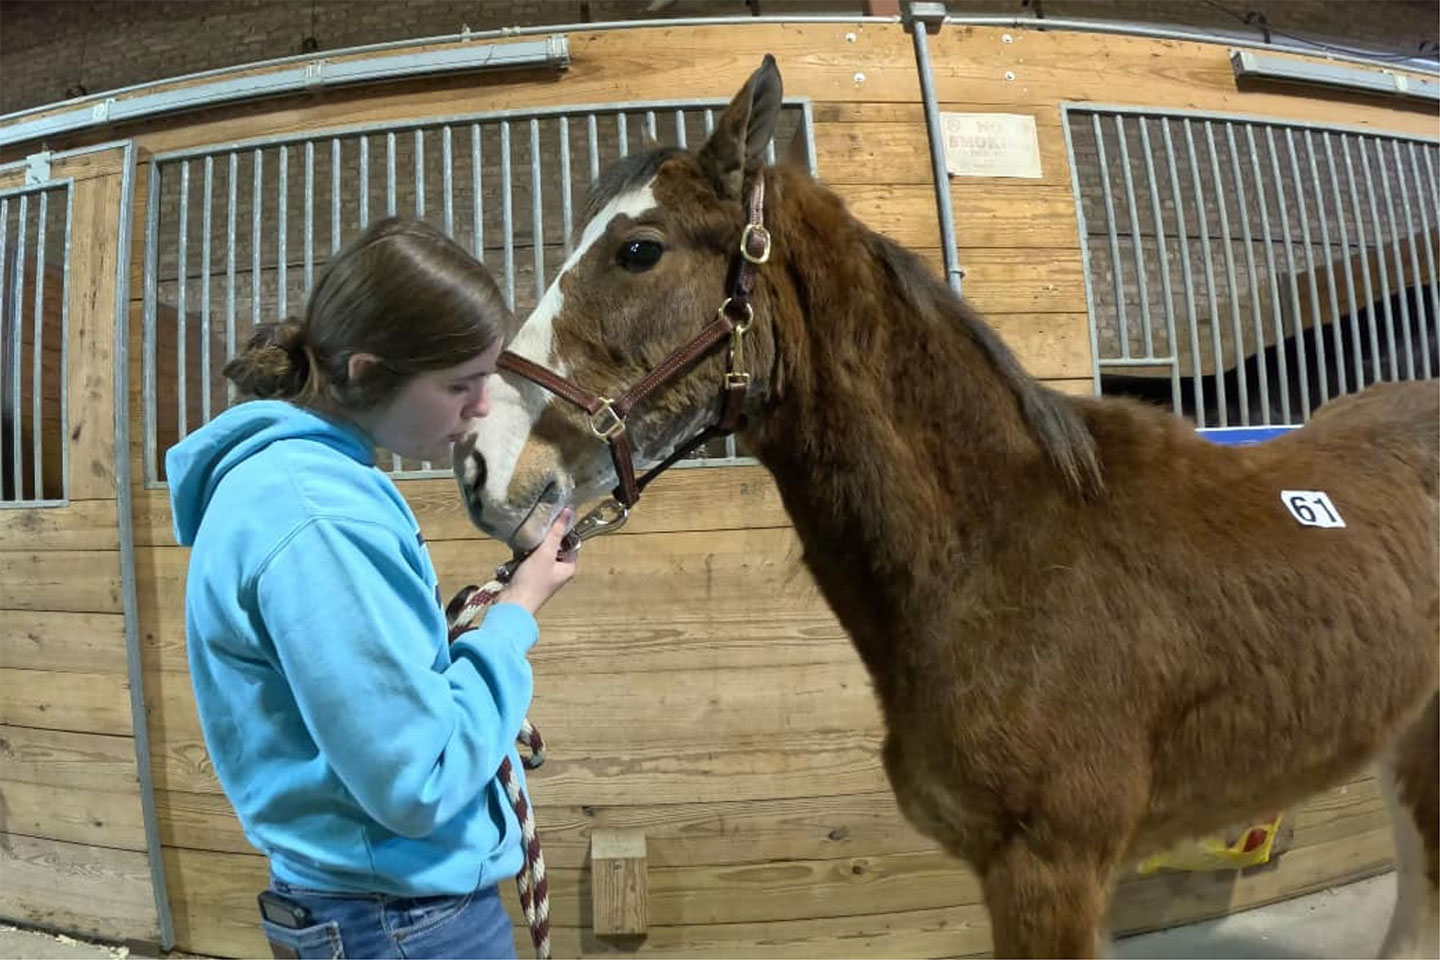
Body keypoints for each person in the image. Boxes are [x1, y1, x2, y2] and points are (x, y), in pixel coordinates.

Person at [166, 217, 576, 960]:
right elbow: (418, 779)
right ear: (363, 371)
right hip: (405, 921)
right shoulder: (318, 516)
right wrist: (516, 615)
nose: (481, 407)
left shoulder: (293, 485)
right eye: (460, 383)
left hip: (361, 900)